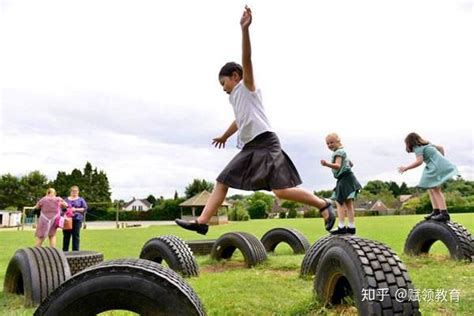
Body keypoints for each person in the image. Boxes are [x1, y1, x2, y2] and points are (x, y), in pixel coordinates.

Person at [175, 6, 335, 235]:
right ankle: (202, 222)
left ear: (235, 76)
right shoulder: (235, 99)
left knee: (280, 192)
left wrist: (244, 30)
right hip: (251, 147)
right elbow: (240, 121)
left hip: (267, 143)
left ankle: (323, 204)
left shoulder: (247, 87)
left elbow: (246, 59)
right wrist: (224, 136)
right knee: (222, 180)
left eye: (224, 83)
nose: (223, 89)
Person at [398, 132, 458, 221]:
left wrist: (406, 168)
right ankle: (436, 211)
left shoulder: (417, 147)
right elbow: (441, 148)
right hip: (439, 165)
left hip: (436, 167)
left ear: (410, 142)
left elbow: (419, 161)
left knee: (436, 190)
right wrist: (441, 159)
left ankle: (444, 213)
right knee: (430, 188)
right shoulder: (427, 145)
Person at [321, 133, 361, 234]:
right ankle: (351, 226)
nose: (329, 145)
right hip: (349, 177)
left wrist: (326, 164)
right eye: (327, 143)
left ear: (338, 141)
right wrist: (347, 166)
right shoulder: (343, 152)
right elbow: (351, 164)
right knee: (348, 203)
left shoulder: (338, 153)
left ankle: (341, 226)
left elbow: (338, 166)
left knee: (339, 202)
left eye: (332, 142)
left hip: (344, 178)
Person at [63, 186, 88, 251]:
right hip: (67, 220)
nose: (74, 192)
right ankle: (65, 252)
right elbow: (61, 209)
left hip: (77, 219)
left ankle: (76, 253)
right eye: (73, 191)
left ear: (78, 192)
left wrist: (75, 209)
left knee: (76, 236)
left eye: (76, 191)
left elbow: (85, 208)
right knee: (66, 237)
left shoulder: (81, 200)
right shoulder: (66, 200)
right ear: (70, 191)